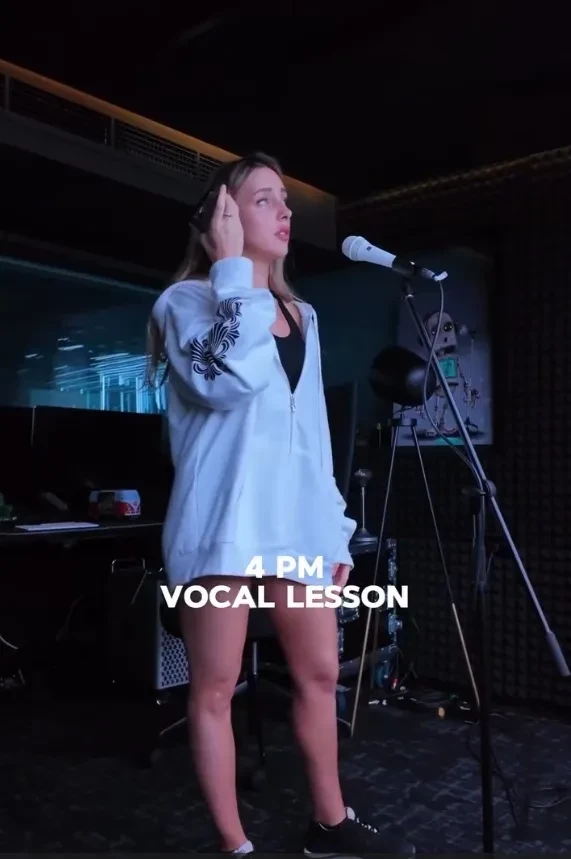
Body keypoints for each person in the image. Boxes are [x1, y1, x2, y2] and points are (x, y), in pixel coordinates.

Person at [147, 152, 414, 856]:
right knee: (215, 686)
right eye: (264, 199)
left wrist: (333, 533)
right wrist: (233, 272)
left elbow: (311, 440)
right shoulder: (184, 304)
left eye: (285, 199)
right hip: (221, 527)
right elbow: (225, 383)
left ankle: (329, 823)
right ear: (223, 217)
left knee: (320, 673)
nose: (285, 211)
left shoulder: (305, 316)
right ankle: (235, 846)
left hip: (292, 525)